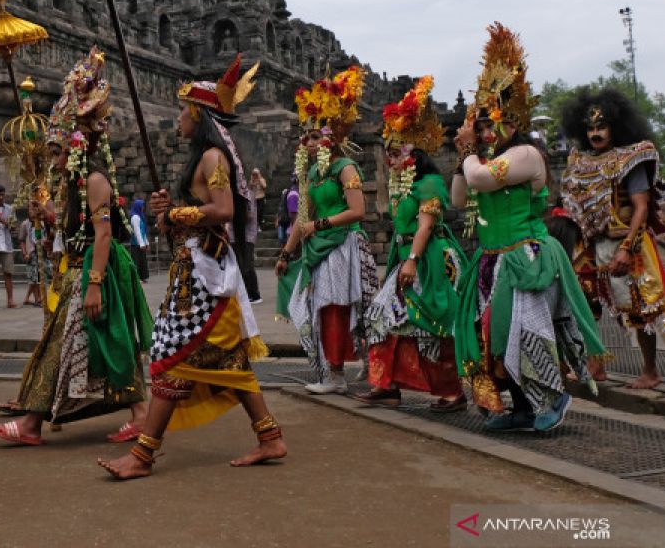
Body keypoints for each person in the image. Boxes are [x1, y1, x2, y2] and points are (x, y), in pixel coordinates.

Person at [99, 54, 284, 480]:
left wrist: (179, 215)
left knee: (170, 354)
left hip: (205, 279)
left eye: (183, 110)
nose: (178, 118)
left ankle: (144, 454)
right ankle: (270, 436)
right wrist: (169, 213)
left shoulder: (213, 158)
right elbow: (195, 218)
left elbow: (222, 209)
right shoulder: (203, 160)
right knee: (229, 362)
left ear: (198, 114)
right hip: (196, 270)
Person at [0, 47, 151, 447]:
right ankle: (141, 414)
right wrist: (44, 214)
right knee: (105, 342)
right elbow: (71, 228)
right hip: (78, 271)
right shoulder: (72, 185)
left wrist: (94, 283)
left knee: (75, 342)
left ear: (76, 148)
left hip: (97, 272)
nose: (53, 158)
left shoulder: (94, 181)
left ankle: (31, 424)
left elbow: (104, 235)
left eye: (58, 151)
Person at [452, 24, 605, 432]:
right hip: (491, 261)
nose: (486, 132)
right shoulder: (482, 160)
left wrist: (469, 154)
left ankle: (553, 399)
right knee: (494, 342)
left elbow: (481, 180)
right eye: (481, 126)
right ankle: (520, 408)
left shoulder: (526, 154)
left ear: (512, 121)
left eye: (491, 123)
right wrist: (461, 159)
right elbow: (457, 199)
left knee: (525, 336)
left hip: (524, 258)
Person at [560, 88, 665, 388]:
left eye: (601, 127)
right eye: (590, 128)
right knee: (586, 303)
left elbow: (642, 207)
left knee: (638, 309)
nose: (595, 133)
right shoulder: (579, 162)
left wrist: (627, 248)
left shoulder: (631, 158)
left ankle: (650, 370)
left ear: (615, 128)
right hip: (591, 245)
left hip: (626, 242)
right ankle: (596, 365)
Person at [357, 77, 465, 411]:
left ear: (414, 153)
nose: (389, 159)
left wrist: (413, 260)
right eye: (387, 153)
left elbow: (427, 225)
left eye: (395, 152)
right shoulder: (400, 184)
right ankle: (386, 384)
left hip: (428, 259)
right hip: (405, 256)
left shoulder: (430, 182)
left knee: (430, 326)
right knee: (380, 318)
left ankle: (452, 392)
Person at [275, 66, 377, 395]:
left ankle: (340, 373)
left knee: (336, 307)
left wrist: (319, 225)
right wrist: (285, 252)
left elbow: (358, 211)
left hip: (344, 244)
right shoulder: (314, 175)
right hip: (320, 247)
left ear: (331, 137)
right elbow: (300, 220)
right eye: (305, 135)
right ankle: (331, 369)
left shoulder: (344, 168)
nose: (307, 140)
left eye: (315, 135)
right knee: (322, 308)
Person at [18, 197, 50, 307]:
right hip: (31, 253)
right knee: (34, 278)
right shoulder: (25, 224)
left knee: (43, 276)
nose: (33, 211)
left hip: (44, 252)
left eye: (35, 208)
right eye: (31, 209)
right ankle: (37, 299)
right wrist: (25, 253)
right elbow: (21, 240)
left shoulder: (43, 222)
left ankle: (40, 298)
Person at [128, 196, 150, 283]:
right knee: (136, 261)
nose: (143, 208)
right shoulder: (135, 217)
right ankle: (137, 278)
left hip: (141, 244)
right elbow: (137, 232)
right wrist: (141, 244)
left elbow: (143, 232)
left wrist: (146, 242)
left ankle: (143, 277)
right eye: (142, 206)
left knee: (142, 261)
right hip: (135, 244)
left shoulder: (141, 217)